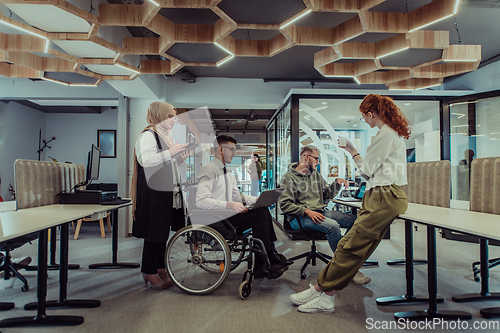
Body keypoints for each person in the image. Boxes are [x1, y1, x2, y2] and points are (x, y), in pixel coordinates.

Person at [290, 94, 410, 313]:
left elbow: (365, 171)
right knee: (353, 248)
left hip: (383, 195)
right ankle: (323, 291)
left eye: (364, 117)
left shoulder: (385, 135)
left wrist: (352, 150)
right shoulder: (392, 135)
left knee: (349, 248)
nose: (365, 120)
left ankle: (322, 291)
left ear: (371, 114)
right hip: (385, 195)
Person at [196, 135, 289, 278]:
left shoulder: (226, 172)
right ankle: (266, 258)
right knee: (260, 215)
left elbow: (238, 197)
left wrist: (260, 200)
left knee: (262, 210)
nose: (234, 153)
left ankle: (268, 255)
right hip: (217, 219)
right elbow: (201, 201)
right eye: (232, 149)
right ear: (220, 149)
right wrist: (229, 204)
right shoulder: (209, 170)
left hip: (227, 216)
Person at [278, 145, 370, 285]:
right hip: (299, 217)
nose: (318, 162)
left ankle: (345, 256)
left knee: (356, 220)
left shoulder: (315, 174)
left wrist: (336, 184)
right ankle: (345, 268)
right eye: (316, 159)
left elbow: (327, 194)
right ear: (306, 157)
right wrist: (307, 211)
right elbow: (285, 205)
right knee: (332, 226)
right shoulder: (289, 178)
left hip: (318, 212)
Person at [130, 102, 190, 290]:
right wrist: (171, 153)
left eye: (174, 115)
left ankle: (160, 267)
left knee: (161, 232)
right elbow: (146, 161)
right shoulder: (148, 135)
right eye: (169, 116)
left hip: (164, 191)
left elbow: (167, 163)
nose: (173, 119)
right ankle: (148, 270)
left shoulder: (166, 137)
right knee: (154, 232)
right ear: (158, 115)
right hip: (153, 192)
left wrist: (179, 157)